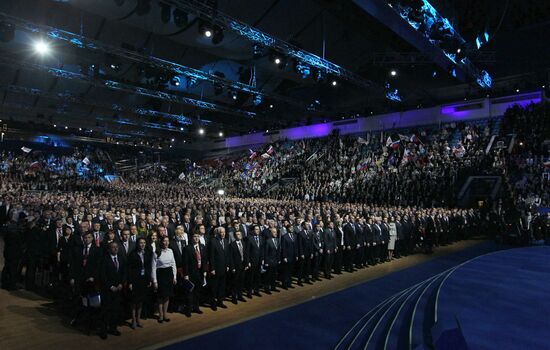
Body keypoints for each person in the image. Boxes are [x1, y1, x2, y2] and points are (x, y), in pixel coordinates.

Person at [99, 241, 126, 339]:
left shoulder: (121, 258)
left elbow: (123, 272)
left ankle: (113, 328)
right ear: (109, 249)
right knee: (105, 311)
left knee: (115, 310)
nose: (115, 249)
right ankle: (103, 330)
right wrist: (110, 286)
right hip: (107, 290)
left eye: (116, 247)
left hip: (118, 289)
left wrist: (121, 284)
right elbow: (102, 275)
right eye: (113, 247)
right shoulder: (104, 259)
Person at [127, 237, 152, 329]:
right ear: (137, 244)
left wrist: (149, 279)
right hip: (135, 280)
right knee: (134, 301)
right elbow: (129, 269)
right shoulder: (132, 254)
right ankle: (133, 319)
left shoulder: (148, 253)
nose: (142, 244)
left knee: (141, 300)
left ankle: (138, 319)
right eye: (141, 243)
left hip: (144, 279)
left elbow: (149, 267)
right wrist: (130, 282)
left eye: (144, 243)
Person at [151, 236, 177, 323]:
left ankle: (165, 314)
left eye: (167, 241)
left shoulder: (171, 251)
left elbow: (173, 264)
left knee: (167, 295)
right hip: (160, 275)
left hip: (169, 274)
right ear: (161, 242)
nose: (166, 243)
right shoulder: (156, 252)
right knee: (160, 296)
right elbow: (153, 268)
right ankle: (160, 315)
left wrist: (174, 276)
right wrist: (154, 281)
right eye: (164, 241)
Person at [183, 232, 207, 317]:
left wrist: (204, 271)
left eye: (198, 236)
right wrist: (186, 274)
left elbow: (204, 260)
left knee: (197, 291)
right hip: (191, 273)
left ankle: (196, 307)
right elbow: (185, 263)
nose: (196, 238)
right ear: (191, 238)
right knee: (190, 292)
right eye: (194, 236)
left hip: (200, 273)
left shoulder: (202, 247)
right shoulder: (187, 248)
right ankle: (188, 310)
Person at [208, 226, 229, 310]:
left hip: (224, 268)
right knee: (214, 287)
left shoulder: (226, 241)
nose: (223, 234)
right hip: (216, 269)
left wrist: (227, 265)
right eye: (221, 232)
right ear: (218, 233)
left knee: (222, 286)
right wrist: (212, 268)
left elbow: (227, 255)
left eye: (224, 232)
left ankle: (220, 301)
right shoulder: (213, 241)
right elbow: (211, 256)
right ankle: (213, 303)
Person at [228, 231, 249, 304]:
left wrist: (246, 264)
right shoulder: (232, 245)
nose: (239, 235)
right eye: (237, 234)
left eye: (240, 234)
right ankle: (234, 297)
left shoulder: (243, 243)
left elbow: (246, 254)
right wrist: (232, 267)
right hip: (236, 266)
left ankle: (240, 295)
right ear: (234, 236)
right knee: (234, 282)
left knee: (241, 281)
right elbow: (230, 257)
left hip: (243, 266)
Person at [245, 225, 263, 297]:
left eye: (258, 229)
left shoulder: (261, 238)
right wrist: (248, 261)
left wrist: (262, 259)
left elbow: (262, 250)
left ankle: (256, 290)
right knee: (251, 278)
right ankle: (249, 292)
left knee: (257, 277)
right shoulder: (250, 239)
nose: (257, 230)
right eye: (256, 229)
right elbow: (247, 252)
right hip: (252, 261)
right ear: (253, 231)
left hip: (259, 261)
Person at [280, 223, 297, 289]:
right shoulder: (284, 236)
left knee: (291, 270)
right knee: (286, 271)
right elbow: (283, 248)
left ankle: (289, 283)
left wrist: (296, 255)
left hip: (293, 256)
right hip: (287, 257)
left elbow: (296, 246)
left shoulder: (294, 236)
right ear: (287, 229)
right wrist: (284, 257)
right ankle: (284, 284)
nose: (292, 229)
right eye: (290, 228)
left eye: (292, 228)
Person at [264, 227, 280, 294]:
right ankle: (267, 288)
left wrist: (279, 259)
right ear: (271, 233)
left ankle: (273, 287)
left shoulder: (278, 240)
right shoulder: (268, 241)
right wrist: (266, 262)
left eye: (276, 232)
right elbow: (266, 252)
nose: (275, 233)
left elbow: (278, 251)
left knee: (274, 275)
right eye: (274, 232)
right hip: (270, 261)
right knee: (268, 276)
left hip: (276, 260)